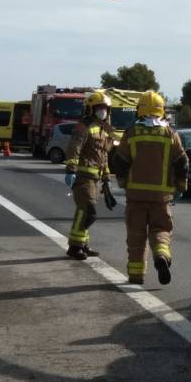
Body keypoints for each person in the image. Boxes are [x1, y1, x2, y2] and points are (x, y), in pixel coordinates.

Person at [111, 91, 189, 285]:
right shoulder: (170, 133)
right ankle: (161, 255)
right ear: (162, 110)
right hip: (161, 197)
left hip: (136, 196)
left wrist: (122, 182)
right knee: (161, 230)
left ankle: (136, 275)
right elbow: (182, 162)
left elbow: (119, 161)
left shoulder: (131, 133)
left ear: (140, 110)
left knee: (136, 236)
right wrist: (180, 186)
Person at [63, 91, 114, 260]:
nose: (103, 111)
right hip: (83, 177)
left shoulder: (104, 130)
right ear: (90, 109)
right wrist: (71, 169)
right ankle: (74, 246)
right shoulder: (84, 126)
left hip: (96, 179)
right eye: (99, 107)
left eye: (105, 108)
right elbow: (74, 147)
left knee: (83, 211)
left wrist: (106, 178)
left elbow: (103, 156)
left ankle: (82, 244)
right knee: (88, 211)